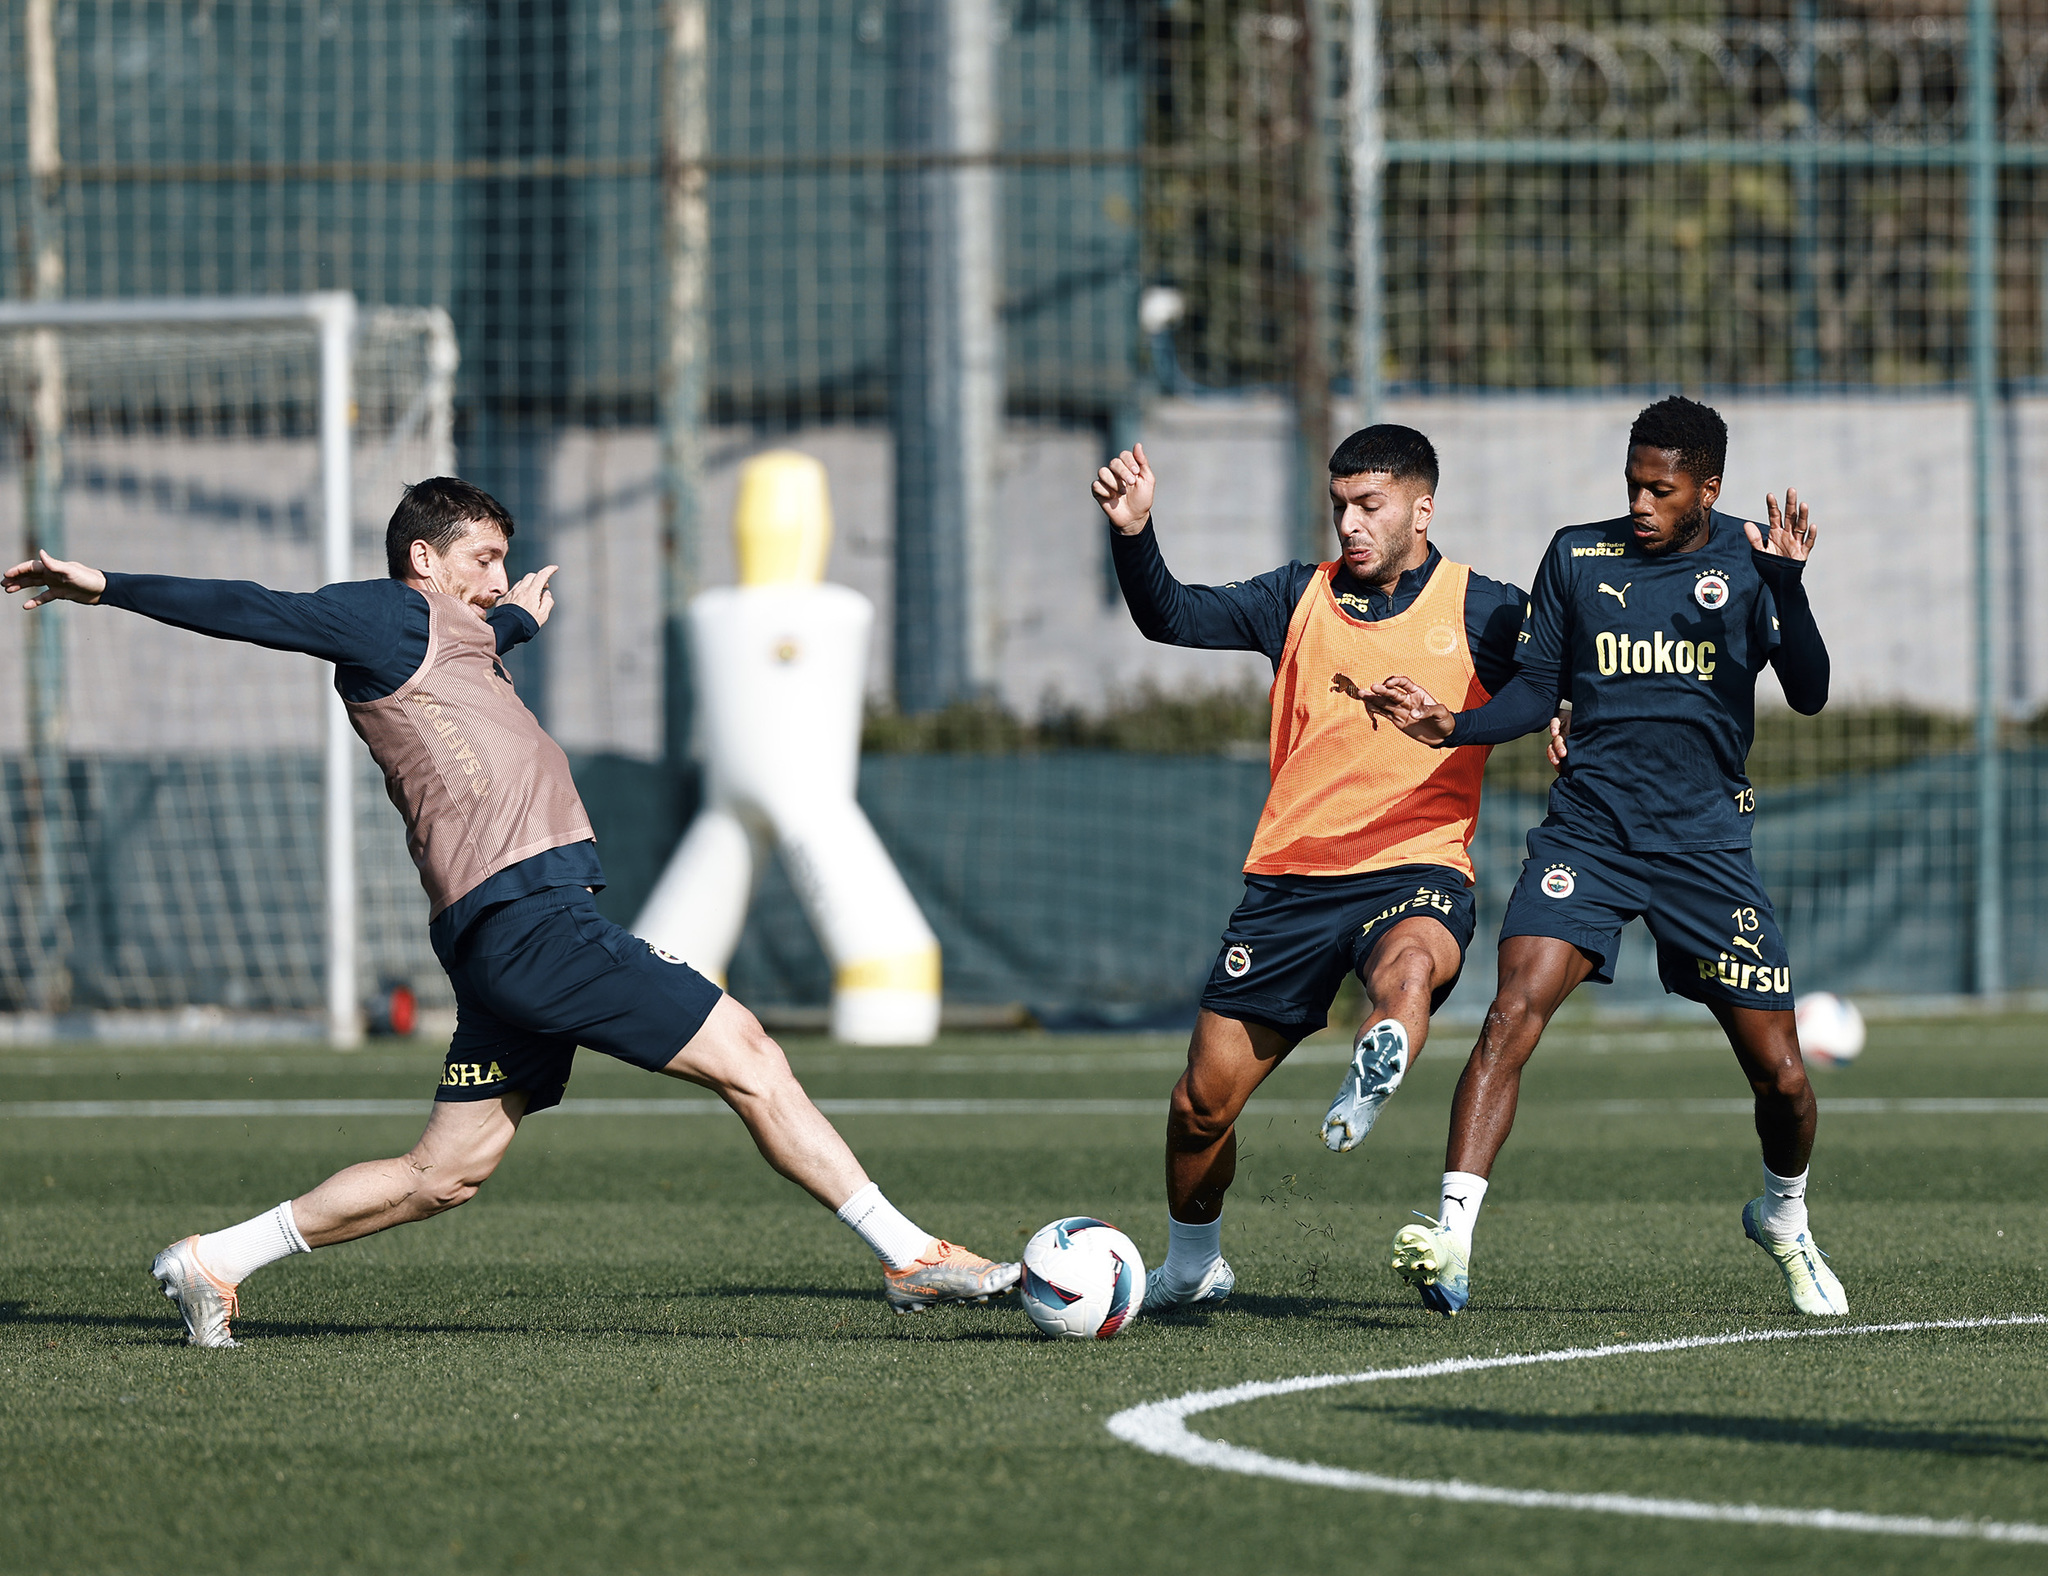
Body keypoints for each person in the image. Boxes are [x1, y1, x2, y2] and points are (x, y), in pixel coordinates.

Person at [4, 477, 1017, 1347]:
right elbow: (255, 606)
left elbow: (484, 640)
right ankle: (909, 1255)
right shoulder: (388, 615)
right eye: (484, 558)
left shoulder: (458, 633)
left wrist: (518, 617)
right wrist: (105, 585)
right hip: (536, 925)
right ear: (422, 559)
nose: (496, 576)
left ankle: (213, 1260)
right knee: (748, 1052)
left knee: (443, 1173)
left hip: (503, 940)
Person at [1365, 395, 1845, 1318]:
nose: (1639, 503)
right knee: (1510, 1015)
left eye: (1660, 489)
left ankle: (1783, 1216)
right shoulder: (1577, 557)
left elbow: (1813, 693)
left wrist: (1787, 583)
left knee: (1781, 1077)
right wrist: (1452, 726)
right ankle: (1452, 1239)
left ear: (1709, 487)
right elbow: (1539, 688)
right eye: (1631, 483)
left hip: (1705, 847)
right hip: (1589, 834)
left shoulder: (1751, 559)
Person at [1091, 427, 1526, 1311]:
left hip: (1414, 863)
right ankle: (1193, 1264)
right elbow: (1170, 614)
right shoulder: (1297, 597)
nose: (1351, 525)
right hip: (1289, 884)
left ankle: (1382, 1050)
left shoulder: (1486, 609)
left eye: (1371, 507)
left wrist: (1550, 718)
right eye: (1340, 508)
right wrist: (1134, 533)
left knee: (1408, 968)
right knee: (1200, 1106)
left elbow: (1548, 683)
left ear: (1422, 509)